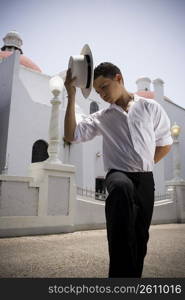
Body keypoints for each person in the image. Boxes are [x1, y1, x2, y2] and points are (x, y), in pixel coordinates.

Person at [64, 62, 173, 278]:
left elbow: (166, 143)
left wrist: (145, 164)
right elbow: (71, 135)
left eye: (104, 86)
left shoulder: (150, 108)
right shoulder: (102, 118)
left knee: (140, 239)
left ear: (119, 78)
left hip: (145, 180)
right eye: (97, 91)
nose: (101, 94)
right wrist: (71, 95)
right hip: (118, 175)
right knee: (121, 196)